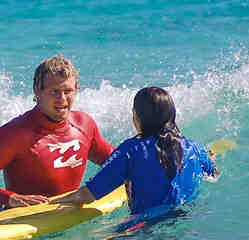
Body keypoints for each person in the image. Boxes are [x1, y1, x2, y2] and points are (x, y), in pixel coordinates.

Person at [0, 55, 113, 208]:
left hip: (68, 218)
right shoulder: (15, 134)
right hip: (23, 223)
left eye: (68, 91)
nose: (62, 99)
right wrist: (11, 198)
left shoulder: (84, 125)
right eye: (54, 91)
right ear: (37, 91)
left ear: (76, 90)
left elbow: (117, 164)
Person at [59, 86, 217, 217]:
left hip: (144, 228)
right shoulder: (195, 149)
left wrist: (53, 202)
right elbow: (213, 174)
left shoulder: (130, 150)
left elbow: (89, 195)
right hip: (187, 220)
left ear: (138, 117)